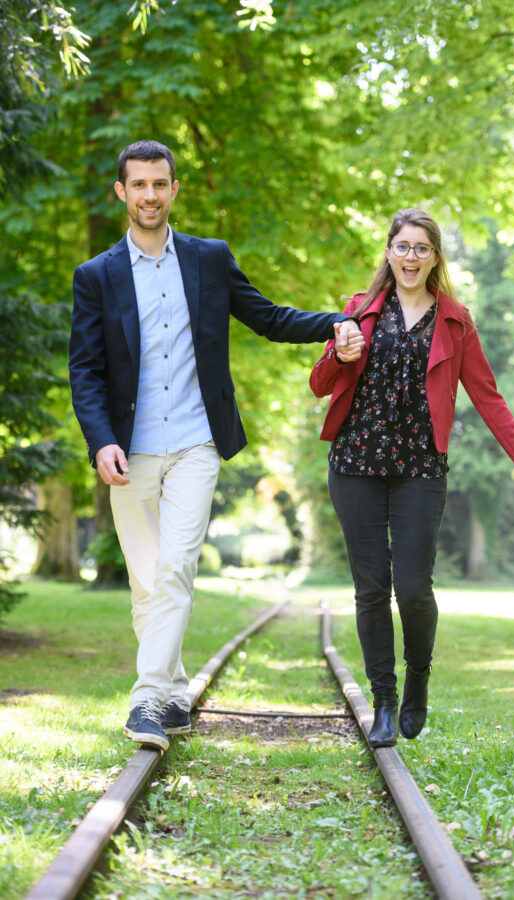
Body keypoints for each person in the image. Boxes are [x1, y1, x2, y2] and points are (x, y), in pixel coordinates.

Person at [69, 139, 364, 752]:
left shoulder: (208, 259)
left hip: (197, 443)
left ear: (175, 190)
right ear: (121, 193)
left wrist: (336, 323)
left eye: (160, 183)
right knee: (148, 582)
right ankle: (174, 691)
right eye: (139, 185)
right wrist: (100, 442)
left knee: (176, 568)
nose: (150, 195)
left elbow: (266, 316)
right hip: (130, 450)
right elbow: (86, 371)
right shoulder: (96, 276)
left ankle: (146, 699)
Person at [310, 208, 514, 748]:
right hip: (356, 463)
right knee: (370, 588)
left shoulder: (455, 320)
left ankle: (417, 680)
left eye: (422, 249)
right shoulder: (358, 311)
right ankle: (383, 702)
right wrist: (340, 354)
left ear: (435, 257)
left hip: (419, 470)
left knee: (412, 587)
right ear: (389, 252)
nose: (411, 257)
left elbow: (488, 397)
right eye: (403, 247)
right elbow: (320, 384)